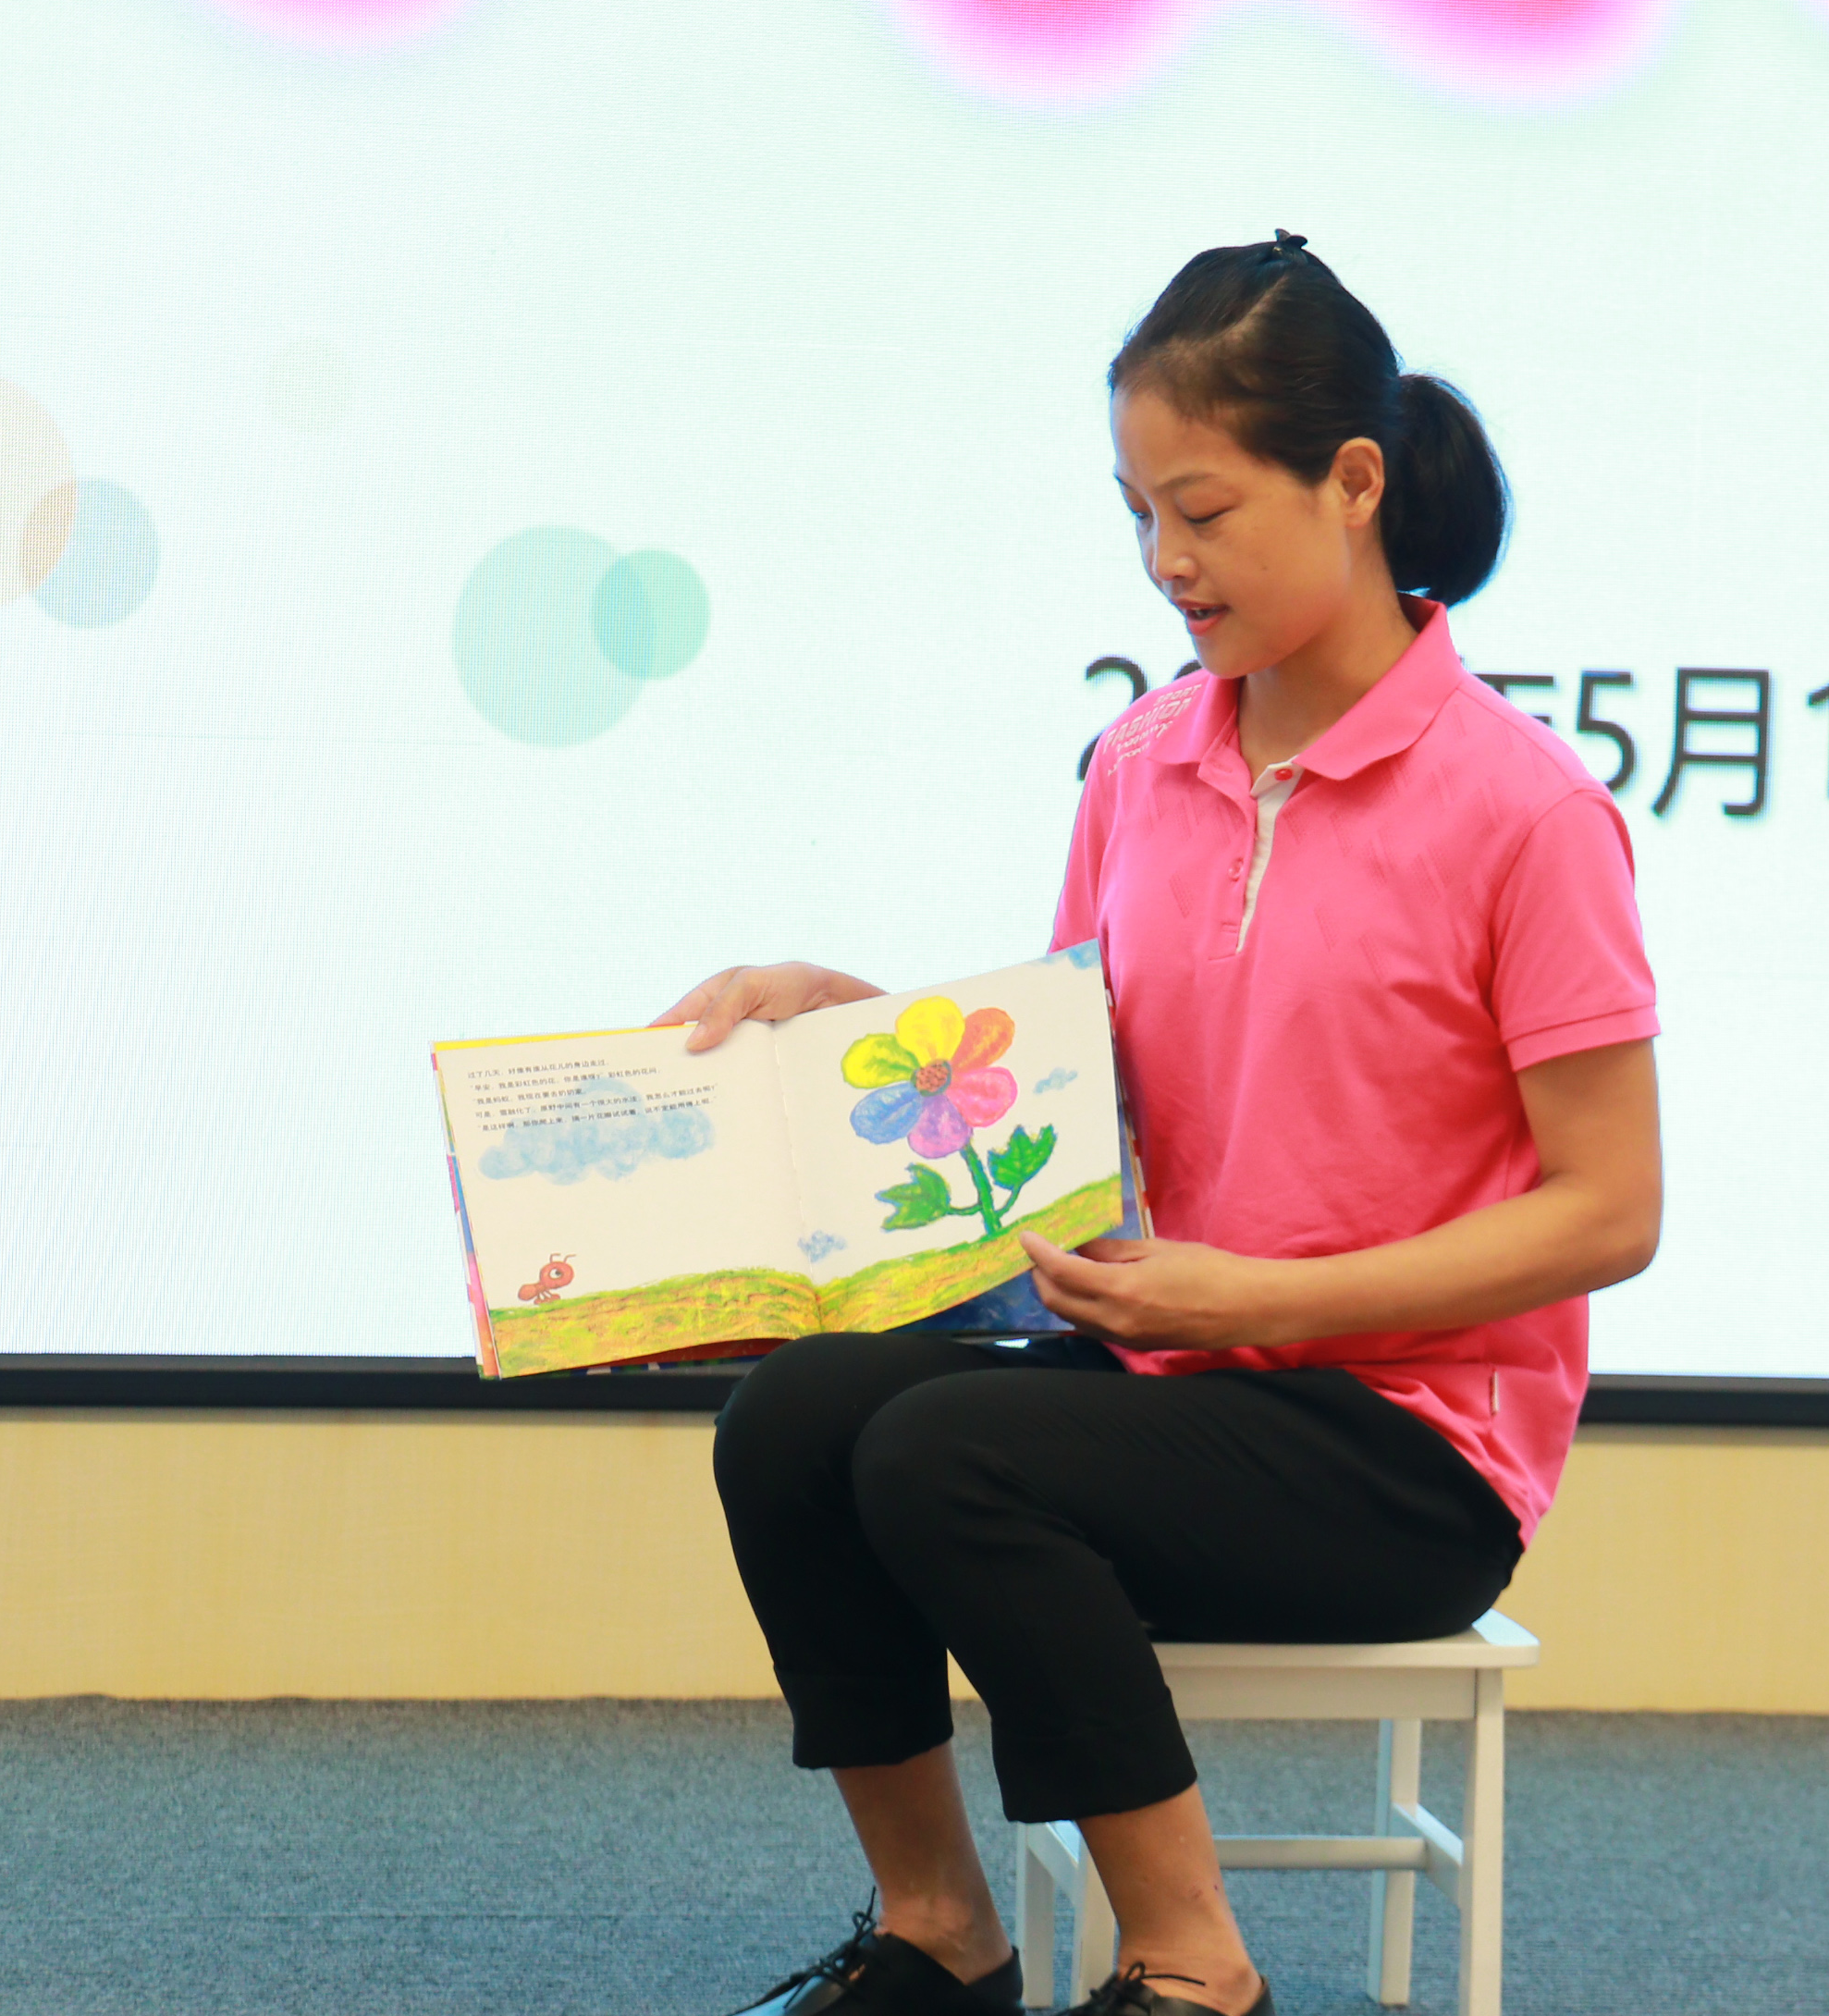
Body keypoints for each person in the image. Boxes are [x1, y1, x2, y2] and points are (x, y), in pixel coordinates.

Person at [677, 231, 1663, 2016]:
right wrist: (845, 1020)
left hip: (1405, 1446)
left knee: (943, 1455)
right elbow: (1074, 1087)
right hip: (1173, 1376)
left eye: (1201, 512)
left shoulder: (1525, 812)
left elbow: (1611, 1211)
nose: (1164, 561)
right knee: (794, 1424)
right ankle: (939, 1936)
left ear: (1353, 483)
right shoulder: (1142, 762)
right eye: (1137, 515)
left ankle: (1198, 1969)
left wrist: (1259, 1300)